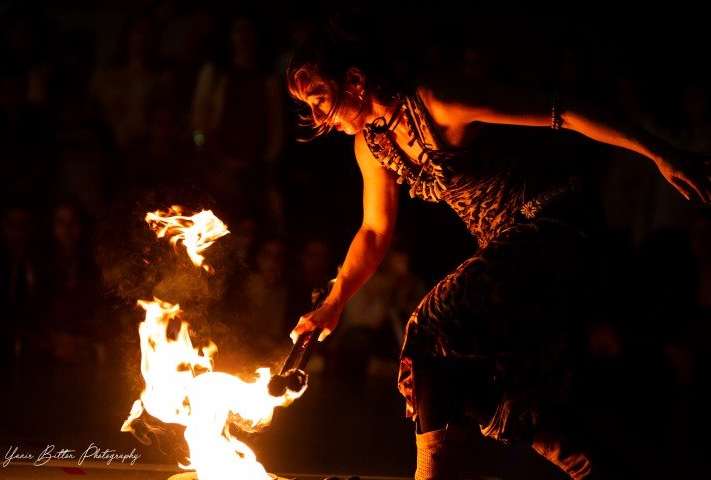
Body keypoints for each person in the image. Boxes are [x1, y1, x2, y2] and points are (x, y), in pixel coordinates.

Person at [284, 11, 711, 480]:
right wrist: (333, 302)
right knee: (472, 383)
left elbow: (561, 111)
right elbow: (374, 231)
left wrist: (659, 152)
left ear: (356, 80)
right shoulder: (371, 145)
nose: (316, 116)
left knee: (430, 328)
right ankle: (594, 468)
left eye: (320, 99)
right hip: (511, 246)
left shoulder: (437, 100)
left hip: (557, 220)